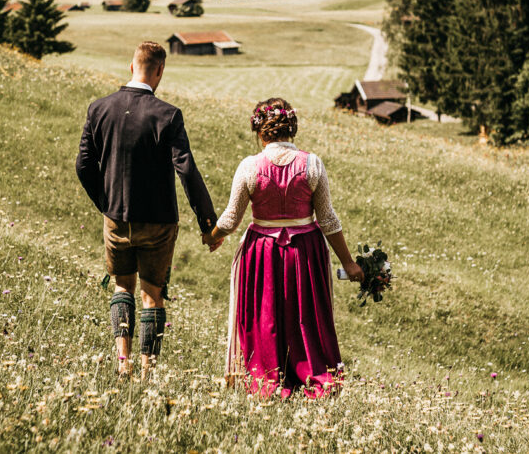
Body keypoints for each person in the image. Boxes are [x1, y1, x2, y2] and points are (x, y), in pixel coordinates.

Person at [76, 41, 218, 377]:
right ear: (160, 71)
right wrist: (207, 223)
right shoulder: (168, 115)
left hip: (116, 218)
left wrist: (106, 203)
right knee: (152, 294)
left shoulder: (99, 108)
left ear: (131, 66)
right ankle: (147, 370)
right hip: (158, 221)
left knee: (122, 287)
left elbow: (83, 165)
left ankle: (123, 363)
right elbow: (186, 170)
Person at [205, 97, 363, 398]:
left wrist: (212, 236)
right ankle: (310, 369)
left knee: (265, 314)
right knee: (305, 314)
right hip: (305, 251)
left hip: (262, 251)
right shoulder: (312, 164)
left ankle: (268, 373)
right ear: (292, 128)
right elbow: (328, 219)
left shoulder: (250, 167)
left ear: (260, 131)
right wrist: (349, 262)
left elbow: (230, 219)